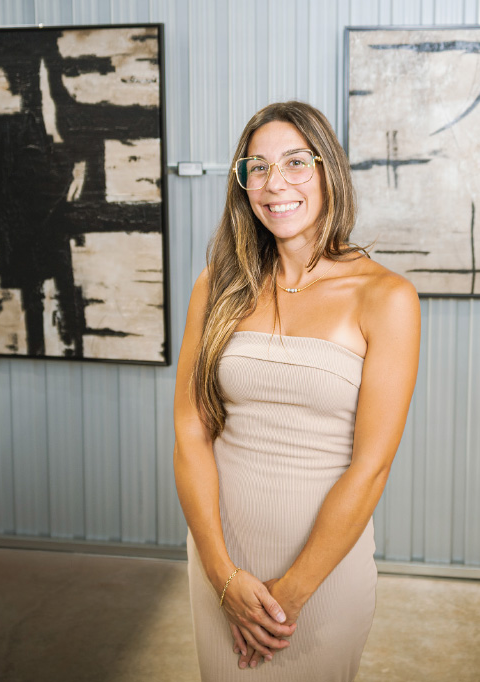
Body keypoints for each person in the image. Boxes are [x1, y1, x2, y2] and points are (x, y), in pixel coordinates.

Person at [173, 100, 420, 681]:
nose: (274, 183)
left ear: (328, 170)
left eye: (294, 163)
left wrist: (291, 595)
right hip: (221, 557)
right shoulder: (218, 285)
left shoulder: (385, 297)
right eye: (256, 167)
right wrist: (222, 575)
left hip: (323, 575)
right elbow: (190, 431)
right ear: (242, 184)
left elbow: (372, 467)